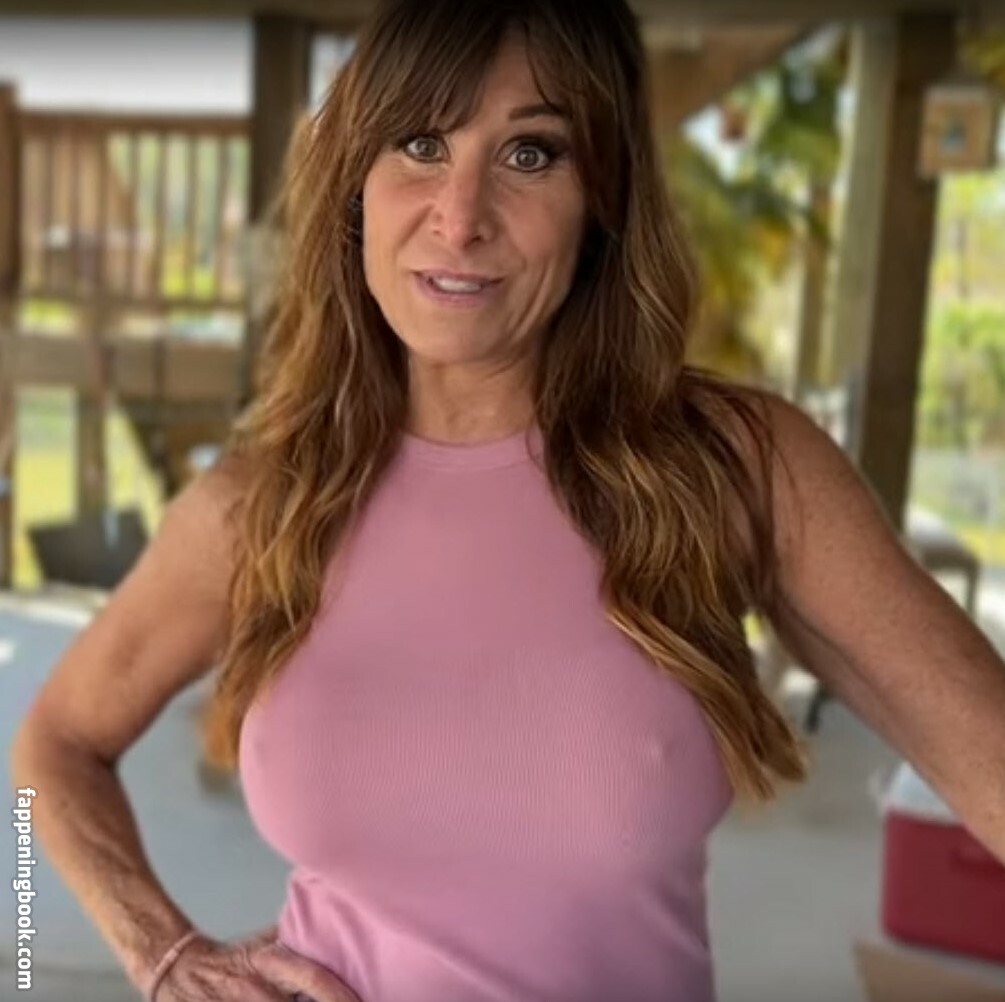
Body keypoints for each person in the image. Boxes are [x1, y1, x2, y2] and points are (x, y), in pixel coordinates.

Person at [10, 0, 1005, 1000]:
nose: (460, 216)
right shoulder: (262, 505)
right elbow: (51, 746)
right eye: (420, 144)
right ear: (354, 183)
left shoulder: (735, 468)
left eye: (531, 155)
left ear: (602, 199)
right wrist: (162, 955)